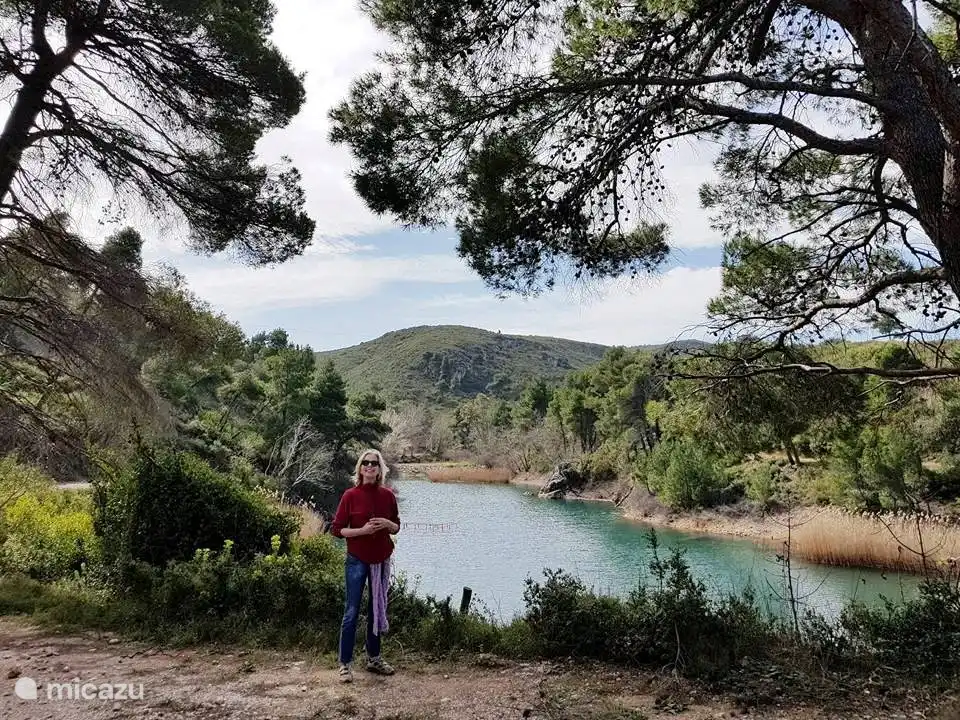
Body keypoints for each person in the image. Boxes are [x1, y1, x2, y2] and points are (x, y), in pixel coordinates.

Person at [329, 448, 401, 682]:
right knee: (351, 612)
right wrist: (363, 530)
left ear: (380, 469)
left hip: (380, 559)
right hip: (357, 559)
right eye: (366, 463)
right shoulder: (350, 495)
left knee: (376, 610)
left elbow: (397, 526)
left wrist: (387, 523)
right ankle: (345, 664)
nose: (370, 467)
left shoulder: (388, 496)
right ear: (360, 468)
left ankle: (374, 658)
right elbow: (337, 530)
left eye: (374, 463)